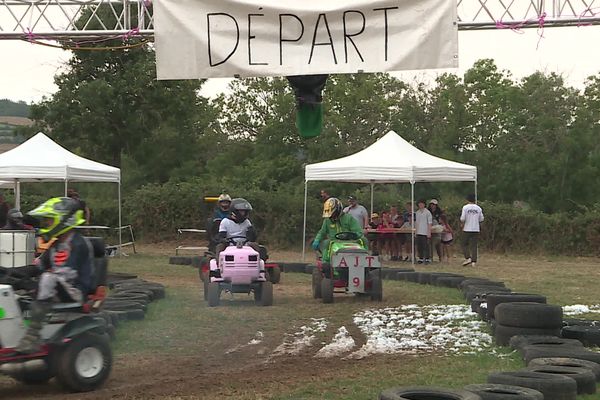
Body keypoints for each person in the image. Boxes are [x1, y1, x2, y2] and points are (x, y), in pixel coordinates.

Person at [15, 197, 94, 353]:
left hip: (76, 291)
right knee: (15, 291)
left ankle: (33, 336)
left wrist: (37, 281)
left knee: (47, 278)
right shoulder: (56, 244)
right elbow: (38, 266)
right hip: (58, 287)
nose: (46, 224)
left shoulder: (79, 244)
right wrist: (12, 273)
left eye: (50, 221)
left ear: (64, 220)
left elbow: (66, 274)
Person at [311, 197, 367, 266]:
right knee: (326, 243)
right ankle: (326, 263)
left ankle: (365, 263)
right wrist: (317, 240)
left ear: (338, 210)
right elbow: (322, 232)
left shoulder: (349, 218)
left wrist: (354, 235)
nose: (331, 216)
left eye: (332, 214)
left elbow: (358, 231)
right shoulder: (327, 221)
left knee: (364, 240)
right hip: (334, 242)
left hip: (351, 242)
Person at [460, 194, 484, 267]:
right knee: (474, 245)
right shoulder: (478, 208)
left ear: (467, 200)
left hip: (467, 228)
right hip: (476, 228)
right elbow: (481, 219)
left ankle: (468, 257)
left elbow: (462, 218)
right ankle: (474, 261)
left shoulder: (465, 207)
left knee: (464, 244)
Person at [415, 199, 432, 264]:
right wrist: (416, 232)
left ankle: (427, 258)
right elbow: (416, 222)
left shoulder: (427, 212)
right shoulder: (417, 212)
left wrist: (429, 232)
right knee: (419, 246)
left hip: (425, 231)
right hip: (419, 231)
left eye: (422, 204)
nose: (420, 205)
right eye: (419, 204)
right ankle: (421, 258)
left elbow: (429, 223)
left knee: (426, 246)